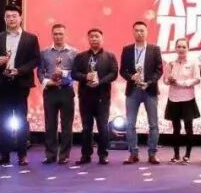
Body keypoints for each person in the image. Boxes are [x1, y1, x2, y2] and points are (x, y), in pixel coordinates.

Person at [0, 4, 40, 166]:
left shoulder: (30, 38)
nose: (11, 19)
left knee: (21, 119)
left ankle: (22, 155)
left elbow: (35, 60)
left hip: (20, 84)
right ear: (4, 19)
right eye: (8, 16)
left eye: (14, 16)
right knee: (2, 120)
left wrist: (19, 71)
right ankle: (4, 155)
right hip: (2, 83)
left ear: (20, 18)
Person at [72, 28, 118, 164]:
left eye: (97, 36)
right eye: (91, 36)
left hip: (102, 97)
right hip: (85, 97)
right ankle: (86, 155)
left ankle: (103, 155)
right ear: (88, 39)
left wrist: (100, 81)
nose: (94, 39)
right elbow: (74, 74)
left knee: (103, 127)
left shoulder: (110, 56)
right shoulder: (80, 57)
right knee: (86, 128)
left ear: (102, 38)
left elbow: (114, 74)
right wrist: (86, 77)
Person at [120, 20, 164, 165]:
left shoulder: (155, 49)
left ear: (146, 32)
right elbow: (122, 70)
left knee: (153, 124)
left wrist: (149, 82)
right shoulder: (127, 49)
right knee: (130, 124)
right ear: (133, 32)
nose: (139, 33)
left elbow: (159, 70)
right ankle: (133, 153)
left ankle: (152, 154)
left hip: (149, 90)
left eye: (142, 30)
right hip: (133, 90)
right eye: (137, 30)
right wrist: (131, 77)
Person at [38, 23, 76, 165]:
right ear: (52, 35)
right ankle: (50, 155)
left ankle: (64, 155)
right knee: (50, 125)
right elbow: (40, 72)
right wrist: (47, 82)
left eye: (61, 34)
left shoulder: (74, 53)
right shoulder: (44, 53)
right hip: (50, 92)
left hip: (66, 91)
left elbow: (77, 73)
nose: (58, 36)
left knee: (67, 125)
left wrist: (64, 74)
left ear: (65, 35)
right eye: (55, 34)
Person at [163, 38, 200, 164]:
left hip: (188, 98)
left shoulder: (193, 63)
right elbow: (165, 80)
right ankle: (176, 154)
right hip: (173, 98)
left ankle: (187, 155)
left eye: (184, 47)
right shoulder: (170, 63)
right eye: (179, 46)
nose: (181, 49)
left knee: (188, 127)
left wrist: (182, 83)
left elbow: (197, 79)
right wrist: (169, 80)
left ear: (188, 48)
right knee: (176, 128)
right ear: (175, 48)